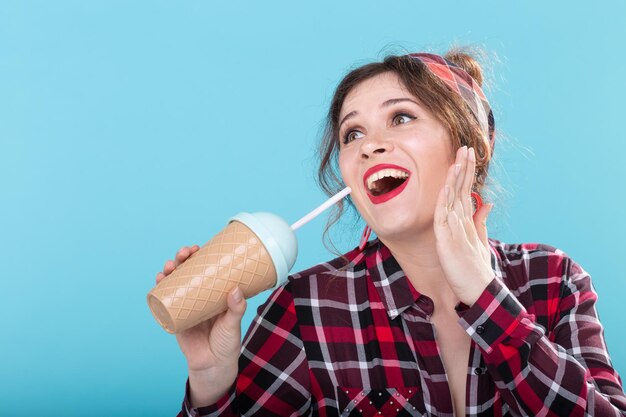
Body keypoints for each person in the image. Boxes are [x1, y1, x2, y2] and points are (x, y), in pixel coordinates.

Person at [156, 48, 626, 416]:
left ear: (470, 147)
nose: (369, 146)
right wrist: (210, 378)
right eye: (351, 134)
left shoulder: (553, 280)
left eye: (401, 117)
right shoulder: (307, 308)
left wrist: (486, 298)